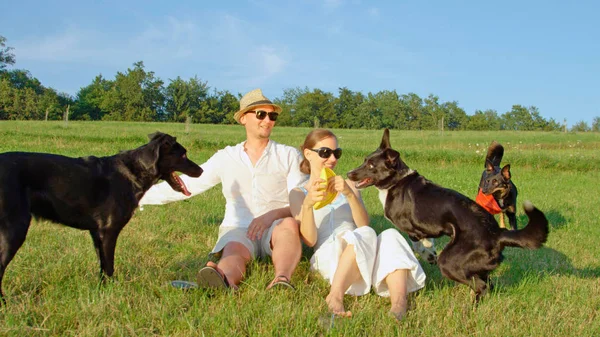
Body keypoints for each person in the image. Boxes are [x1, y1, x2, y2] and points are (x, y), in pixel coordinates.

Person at [139, 88, 307, 290]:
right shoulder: (226, 157)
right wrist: (137, 196)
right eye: (261, 114)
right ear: (243, 118)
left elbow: (302, 200)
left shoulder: (288, 155)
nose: (268, 120)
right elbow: (190, 184)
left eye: (273, 116)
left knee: (288, 225)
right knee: (233, 249)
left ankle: (282, 279)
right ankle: (223, 280)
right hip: (239, 227)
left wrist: (270, 216)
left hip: (276, 227)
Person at [289, 129, 426, 320]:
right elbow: (310, 240)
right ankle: (335, 297)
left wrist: (349, 194)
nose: (332, 159)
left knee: (390, 235)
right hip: (331, 256)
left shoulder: (349, 185)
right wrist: (309, 204)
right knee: (365, 234)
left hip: (362, 247)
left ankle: (399, 305)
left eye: (336, 153)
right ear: (308, 154)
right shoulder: (298, 193)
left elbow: (363, 223)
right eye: (325, 153)